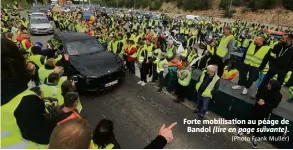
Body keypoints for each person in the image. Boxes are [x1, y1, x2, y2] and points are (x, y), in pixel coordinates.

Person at [238, 80, 282, 148]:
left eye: (270, 85)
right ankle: (245, 130)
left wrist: (265, 104)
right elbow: (257, 95)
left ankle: (255, 137)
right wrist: (259, 100)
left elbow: (275, 105)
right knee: (250, 119)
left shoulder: (278, 95)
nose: (268, 86)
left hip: (265, 112)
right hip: (257, 107)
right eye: (268, 84)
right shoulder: (263, 88)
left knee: (260, 125)